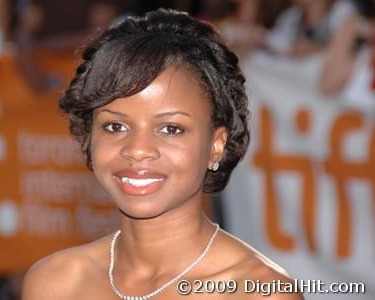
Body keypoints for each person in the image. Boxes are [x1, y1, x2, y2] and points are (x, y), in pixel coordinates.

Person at [22, 9, 304, 300]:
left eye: (171, 128)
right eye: (115, 126)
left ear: (216, 145)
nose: (138, 149)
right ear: (89, 136)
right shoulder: (54, 283)